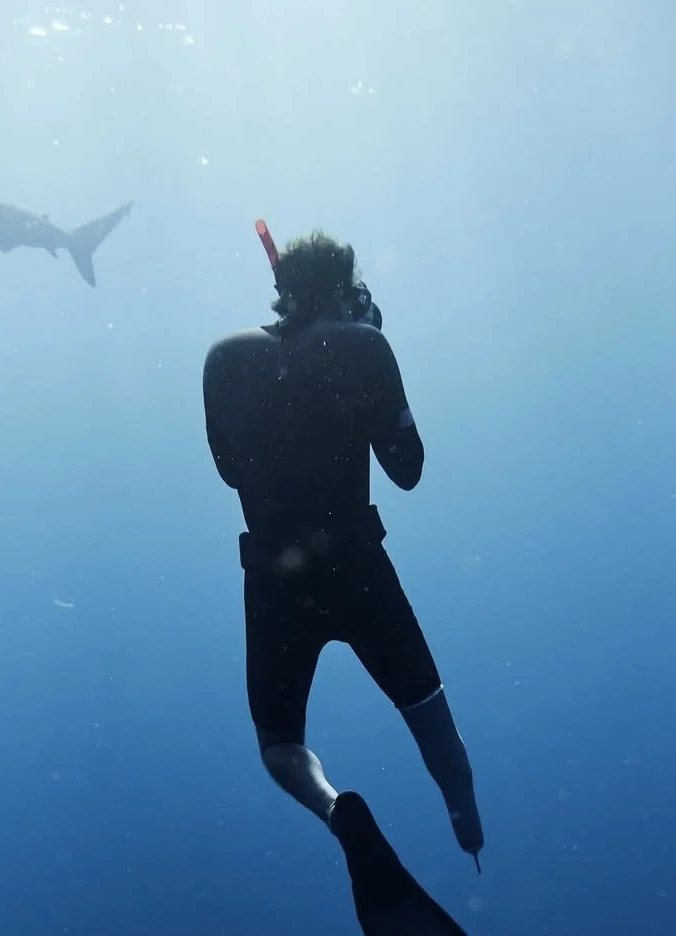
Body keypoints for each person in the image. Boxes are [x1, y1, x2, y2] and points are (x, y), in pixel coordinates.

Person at [201, 224, 484, 866]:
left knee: (278, 741)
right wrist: (368, 362)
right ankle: (466, 825)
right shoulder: (363, 347)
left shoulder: (224, 358)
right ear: (345, 289)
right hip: (358, 568)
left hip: (273, 578)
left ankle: (334, 810)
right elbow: (406, 469)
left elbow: (230, 470)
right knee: (431, 719)